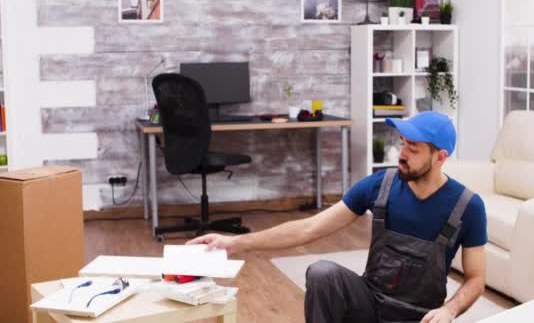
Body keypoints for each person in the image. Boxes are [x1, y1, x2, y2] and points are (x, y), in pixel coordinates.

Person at [187, 111, 487, 323]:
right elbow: (308, 228)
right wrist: (234, 244)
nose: (401, 153)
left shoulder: (467, 207)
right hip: (370, 302)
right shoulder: (379, 186)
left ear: (440, 157)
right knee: (322, 272)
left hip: (420, 316)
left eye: (413, 148)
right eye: (402, 142)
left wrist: (450, 310)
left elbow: (476, 279)